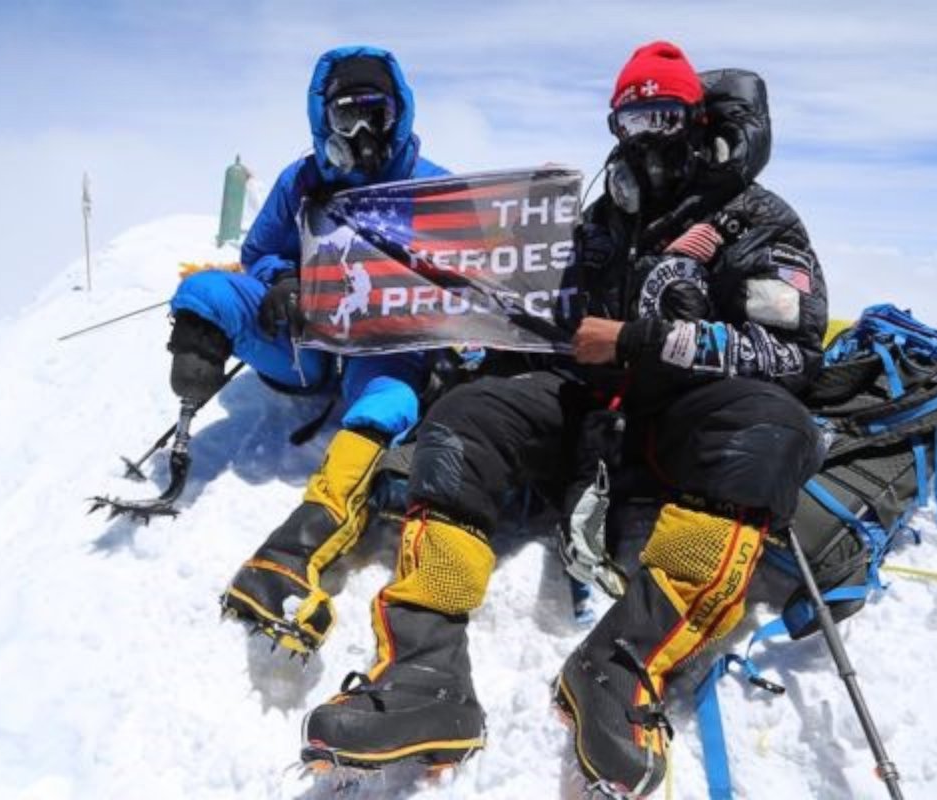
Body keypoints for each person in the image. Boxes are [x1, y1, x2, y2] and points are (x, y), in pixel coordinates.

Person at [299, 41, 828, 795]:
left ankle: (619, 670)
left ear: (694, 118)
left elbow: (791, 352)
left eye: (663, 113)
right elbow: (559, 316)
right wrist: (493, 328)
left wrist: (642, 342)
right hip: (591, 399)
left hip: (692, 409)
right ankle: (423, 672)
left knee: (772, 429)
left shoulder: (757, 219)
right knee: (466, 415)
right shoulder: (605, 213)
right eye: (631, 115)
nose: (647, 132)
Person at [166, 45, 447, 656]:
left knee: (387, 398)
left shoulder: (433, 188)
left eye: (378, 113)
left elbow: (475, 269)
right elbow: (259, 250)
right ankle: (187, 429)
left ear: (399, 113)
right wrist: (281, 280)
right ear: (327, 120)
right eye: (349, 116)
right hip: (307, 336)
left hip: (384, 342)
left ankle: (326, 511)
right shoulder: (302, 181)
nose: (365, 131)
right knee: (206, 292)